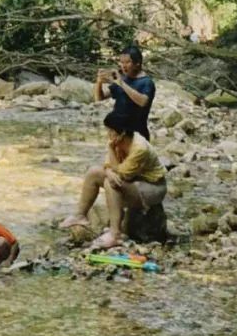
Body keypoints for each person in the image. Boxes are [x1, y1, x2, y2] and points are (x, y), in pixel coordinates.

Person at [61, 101, 167, 246]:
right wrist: (109, 170)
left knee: (111, 183)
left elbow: (124, 175)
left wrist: (110, 167)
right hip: (134, 180)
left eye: (110, 130)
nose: (108, 134)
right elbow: (108, 165)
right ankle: (80, 215)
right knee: (93, 172)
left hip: (152, 187)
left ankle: (115, 233)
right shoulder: (116, 141)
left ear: (122, 132)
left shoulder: (139, 148)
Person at [94, 43, 155, 139]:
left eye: (127, 62)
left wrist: (121, 83)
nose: (123, 66)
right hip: (118, 134)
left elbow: (143, 102)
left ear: (137, 63)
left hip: (137, 135)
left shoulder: (146, 82)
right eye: (121, 62)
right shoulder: (122, 79)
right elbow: (99, 98)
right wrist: (99, 82)